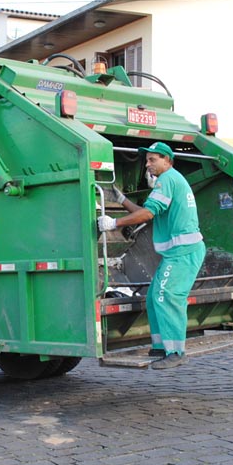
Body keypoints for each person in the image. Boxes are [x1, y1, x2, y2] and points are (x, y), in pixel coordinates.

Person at [97, 142, 205, 370]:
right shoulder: (172, 180)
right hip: (179, 253)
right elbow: (148, 213)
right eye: (146, 160)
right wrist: (121, 200)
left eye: (153, 159)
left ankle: (176, 352)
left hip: (183, 253)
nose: (147, 164)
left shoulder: (167, 180)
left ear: (167, 160)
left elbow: (147, 214)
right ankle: (160, 346)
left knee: (166, 297)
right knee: (154, 297)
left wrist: (114, 223)